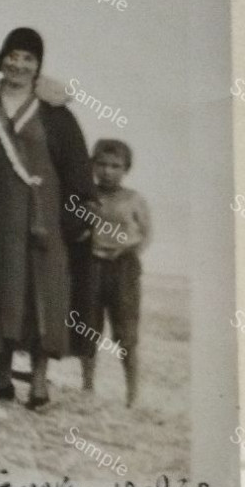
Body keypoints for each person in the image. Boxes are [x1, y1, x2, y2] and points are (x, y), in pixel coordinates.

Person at [0, 27, 95, 409]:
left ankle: (40, 383)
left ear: (38, 66)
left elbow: (77, 169)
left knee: (45, 297)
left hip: (45, 222)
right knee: (4, 294)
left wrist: (75, 219)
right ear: (2, 59)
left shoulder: (56, 115)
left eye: (28, 58)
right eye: (12, 54)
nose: (19, 63)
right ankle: (0, 378)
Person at [71, 138, 151, 406]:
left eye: (115, 166)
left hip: (124, 268)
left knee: (126, 332)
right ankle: (87, 386)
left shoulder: (134, 199)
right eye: (102, 164)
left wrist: (128, 253)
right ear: (92, 165)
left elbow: (146, 234)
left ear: (126, 168)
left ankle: (132, 395)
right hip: (91, 266)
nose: (107, 171)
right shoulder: (86, 196)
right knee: (89, 328)